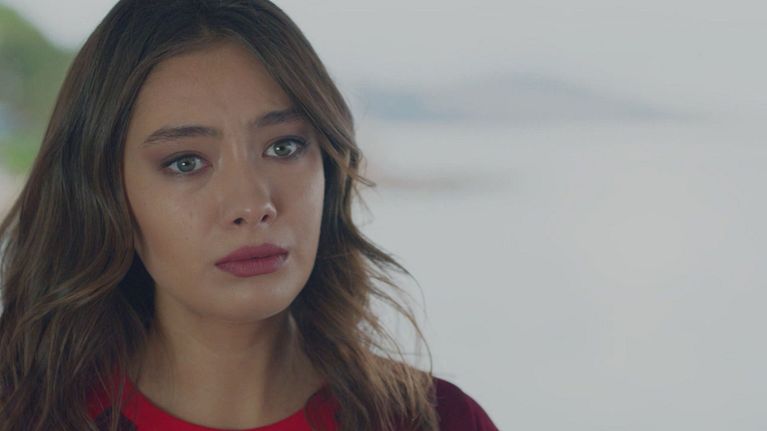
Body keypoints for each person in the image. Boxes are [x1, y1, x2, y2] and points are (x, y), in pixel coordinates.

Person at [0, 1, 499, 430]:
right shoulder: (22, 413)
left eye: (284, 147)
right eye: (185, 162)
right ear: (105, 191)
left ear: (328, 165)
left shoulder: (437, 420)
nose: (252, 204)